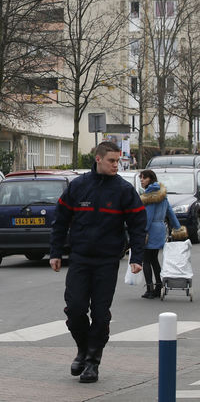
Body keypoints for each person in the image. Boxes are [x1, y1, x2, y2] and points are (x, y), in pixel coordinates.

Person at [49, 141, 146, 384]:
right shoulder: (79, 187)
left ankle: (92, 362)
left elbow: (137, 224)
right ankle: (83, 349)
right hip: (80, 259)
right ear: (98, 159)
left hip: (107, 261)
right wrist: (55, 252)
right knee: (75, 310)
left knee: (101, 315)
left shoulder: (124, 190)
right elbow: (60, 221)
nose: (117, 165)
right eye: (112, 160)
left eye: (118, 161)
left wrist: (137, 257)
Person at [138, 169, 180, 299]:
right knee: (154, 259)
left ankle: (149, 289)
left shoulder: (150, 195)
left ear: (150, 179)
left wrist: (143, 232)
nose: (141, 180)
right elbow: (170, 213)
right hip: (160, 229)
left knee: (146, 260)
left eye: (144, 178)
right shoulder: (162, 194)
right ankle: (158, 286)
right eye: (141, 178)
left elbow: (148, 217)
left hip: (151, 230)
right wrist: (178, 228)